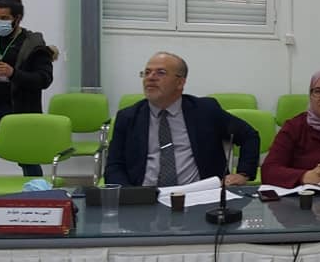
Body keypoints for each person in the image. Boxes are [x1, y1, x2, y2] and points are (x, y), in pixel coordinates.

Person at [106, 52, 258, 187]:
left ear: (180, 82)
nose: (150, 78)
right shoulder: (128, 117)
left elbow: (249, 135)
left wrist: (243, 173)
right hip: (146, 195)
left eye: (160, 73)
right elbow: (114, 165)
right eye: (147, 72)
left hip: (199, 194)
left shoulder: (205, 111)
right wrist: (128, 195)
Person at [0, 0, 55, 183]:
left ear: (17, 18)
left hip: (20, 110)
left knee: (28, 159)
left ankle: (37, 194)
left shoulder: (34, 44)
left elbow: (44, 79)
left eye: (4, 18)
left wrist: (14, 73)